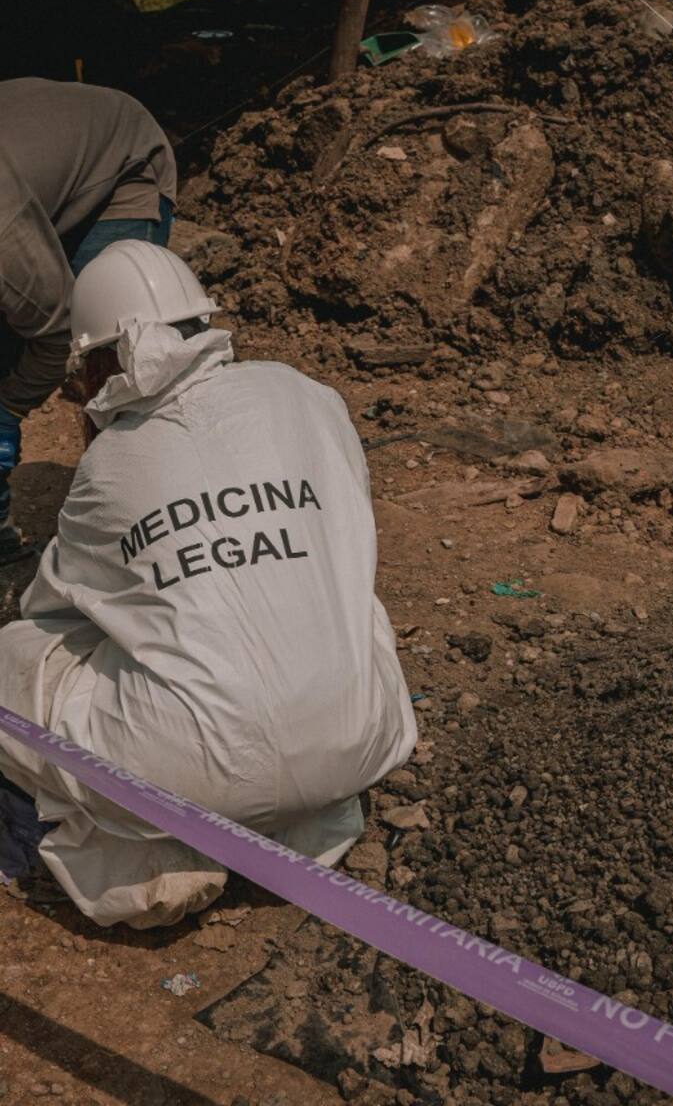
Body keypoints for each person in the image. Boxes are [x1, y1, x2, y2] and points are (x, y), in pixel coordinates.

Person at [0, 241, 416, 927]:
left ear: (104, 360)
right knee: (344, 596)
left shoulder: (110, 466)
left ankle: (145, 864)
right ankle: (305, 828)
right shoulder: (308, 396)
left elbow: (58, 611)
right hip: (358, 743)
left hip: (188, 777)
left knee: (22, 655)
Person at [0, 78, 176, 563]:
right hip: (37, 172)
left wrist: (9, 408)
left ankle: (138, 526)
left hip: (119, 163)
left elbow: (60, 332)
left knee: (111, 357)